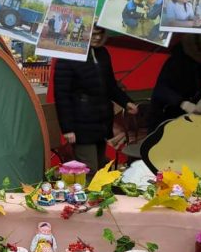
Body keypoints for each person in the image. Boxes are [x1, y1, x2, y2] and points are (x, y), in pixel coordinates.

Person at [53, 26, 138, 173]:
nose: (98, 38)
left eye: (101, 34)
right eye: (93, 34)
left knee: (100, 168)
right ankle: (87, 195)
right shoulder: (68, 57)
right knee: (88, 169)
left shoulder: (103, 53)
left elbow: (110, 85)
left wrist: (126, 102)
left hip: (102, 120)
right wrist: (67, 128)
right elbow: (62, 96)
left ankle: (97, 194)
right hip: (80, 123)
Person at [151, 33, 201, 124]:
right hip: (165, 119)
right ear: (200, 43)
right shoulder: (176, 61)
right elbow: (161, 90)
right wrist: (182, 103)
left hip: (191, 118)